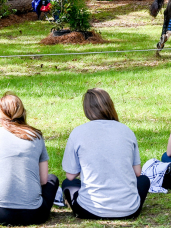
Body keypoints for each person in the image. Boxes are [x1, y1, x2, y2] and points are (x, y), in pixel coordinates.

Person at [0, 93, 59, 226]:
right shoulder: (36, 136)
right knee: (52, 179)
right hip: (35, 215)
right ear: (23, 112)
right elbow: (43, 180)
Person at [62, 88, 150, 220]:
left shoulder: (78, 132)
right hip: (129, 210)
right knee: (144, 180)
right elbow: (137, 172)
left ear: (87, 109)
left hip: (90, 210)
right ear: (110, 106)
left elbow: (70, 175)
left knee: (67, 184)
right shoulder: (126, 131)